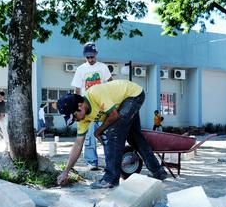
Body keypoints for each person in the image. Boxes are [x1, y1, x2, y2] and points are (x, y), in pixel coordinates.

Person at [56, 80, 168, 189]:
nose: (75, 120)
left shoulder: (95, 93)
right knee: (134, 137)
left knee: (112, 133)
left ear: (80, 106)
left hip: (133, 95)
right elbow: (78, 144)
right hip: (123, 102)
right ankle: (158, 171)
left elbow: (114, 115)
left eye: (74, 116)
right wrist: (66, 171)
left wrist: (98, 131)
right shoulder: (83, 119)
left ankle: (110, 179)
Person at [71, 42, 112, 171]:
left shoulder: (103, 67)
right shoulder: (81, 69)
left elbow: (111, 83)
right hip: (87, 108)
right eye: (88, 57)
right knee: (89, 136)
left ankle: (110, 162)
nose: (90, 59)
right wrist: (77, 108)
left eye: (92, 57)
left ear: (96, 55)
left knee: (105, 135)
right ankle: (91, 162)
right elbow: (77, 90)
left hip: (102, 106)